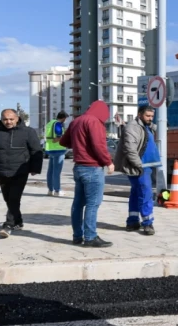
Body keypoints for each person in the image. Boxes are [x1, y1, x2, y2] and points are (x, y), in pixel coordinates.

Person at [0, 109, 44, 238]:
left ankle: (8, 225)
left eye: (11, 119)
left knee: (14, 198)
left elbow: (36, 150)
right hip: (2, 170)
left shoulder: (28, 132)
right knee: (8, 198)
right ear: (1, 119)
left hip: (20, 171)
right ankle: (18, 221)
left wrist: (35, 168)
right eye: (5, 119)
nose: (8, 122)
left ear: (17, 118)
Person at [62, 100, 114, 247]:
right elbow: (99, 145)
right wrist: (108, 162)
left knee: (78, 204)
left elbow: (64, 142)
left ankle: (77, 236)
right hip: (92, 168)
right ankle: (90, 237)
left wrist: (79, 143)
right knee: (93, 204)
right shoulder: (94, 122)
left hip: (78, 167)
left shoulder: (76, 121)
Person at [115, 102, 163, 235]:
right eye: (147, 116)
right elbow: (130, 148)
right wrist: (139, 166)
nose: (150, 118)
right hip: (139, 167)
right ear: (139, 115)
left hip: (144, 166)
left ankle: (132, 221)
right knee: (145, 193)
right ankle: (147, 223)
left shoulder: (145, 125)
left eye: (152, 116)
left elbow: (154, 128)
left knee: (137, 193)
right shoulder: (133, 127)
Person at [45, 111, 69, 197]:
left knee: (50, 171)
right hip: (58, 149)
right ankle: (57, 190)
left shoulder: (49, 123)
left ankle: (50, 190)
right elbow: (59, 135)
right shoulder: (58, 124)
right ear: (64, 118)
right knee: (56, 172)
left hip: (50, 148)